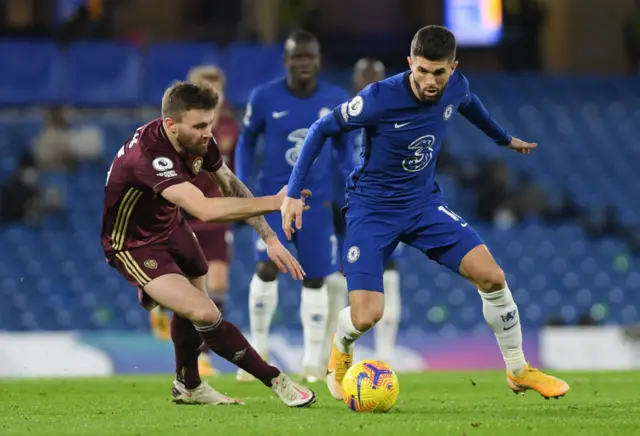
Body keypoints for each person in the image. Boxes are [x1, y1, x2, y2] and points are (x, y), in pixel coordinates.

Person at [282, 25, 570, 400]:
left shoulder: (457, 86)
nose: (430, 81)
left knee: (492, 277)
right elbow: (322, 128)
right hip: (372, 211)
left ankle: (519, 370)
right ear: (409, 64)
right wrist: (291, 192)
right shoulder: (379, 98)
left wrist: (503, 138)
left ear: (453, 67)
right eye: (422, 71)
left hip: (423, 205)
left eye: (439, 72)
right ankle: (343, 341)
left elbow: (470, 105)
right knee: (367, 314)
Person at [101, 81, 315, 407]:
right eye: (199, 126)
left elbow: (229, 185)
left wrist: (269, 237)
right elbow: (203, 208)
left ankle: (189, 386)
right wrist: (275, 201)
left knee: (193, 310)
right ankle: (275, 379)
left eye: (210, 124)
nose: (207, 133)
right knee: (203, 310)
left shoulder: (199, 140)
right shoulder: (149, 156)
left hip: (171, 226)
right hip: (134, 244)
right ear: (171, 125)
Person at [235, 30, 352, 383]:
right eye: (296, 57)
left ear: (318, 60)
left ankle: (313, 361)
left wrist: (351, 179)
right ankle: (257, 352)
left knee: (315, 279)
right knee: (266, 269)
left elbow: (347, 148)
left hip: (318, 204)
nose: (304, 63)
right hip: (273, 201)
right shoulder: (264, 97)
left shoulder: (336, 98)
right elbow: (245, 141)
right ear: (286, 61)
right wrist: (244, 190)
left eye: (309, 56)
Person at [149, 65, 239, 377]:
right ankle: (163, 309)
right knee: (190, 291)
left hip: (215, 217)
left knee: (219, 284)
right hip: (184, 214)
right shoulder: (179, 130)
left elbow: (231, 170)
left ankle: (205, 356)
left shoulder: (228, 127)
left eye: (217, 88)